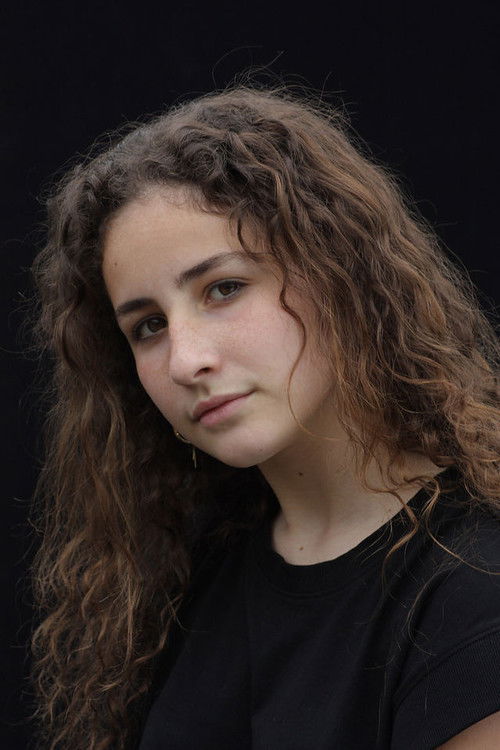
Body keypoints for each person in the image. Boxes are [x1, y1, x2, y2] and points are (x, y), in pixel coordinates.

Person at [27, 84, 500, 750]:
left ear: (339, 272)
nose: (185, 360)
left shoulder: (474, 590)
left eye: (223, 288)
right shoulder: (183, 576)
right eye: (148, 326)